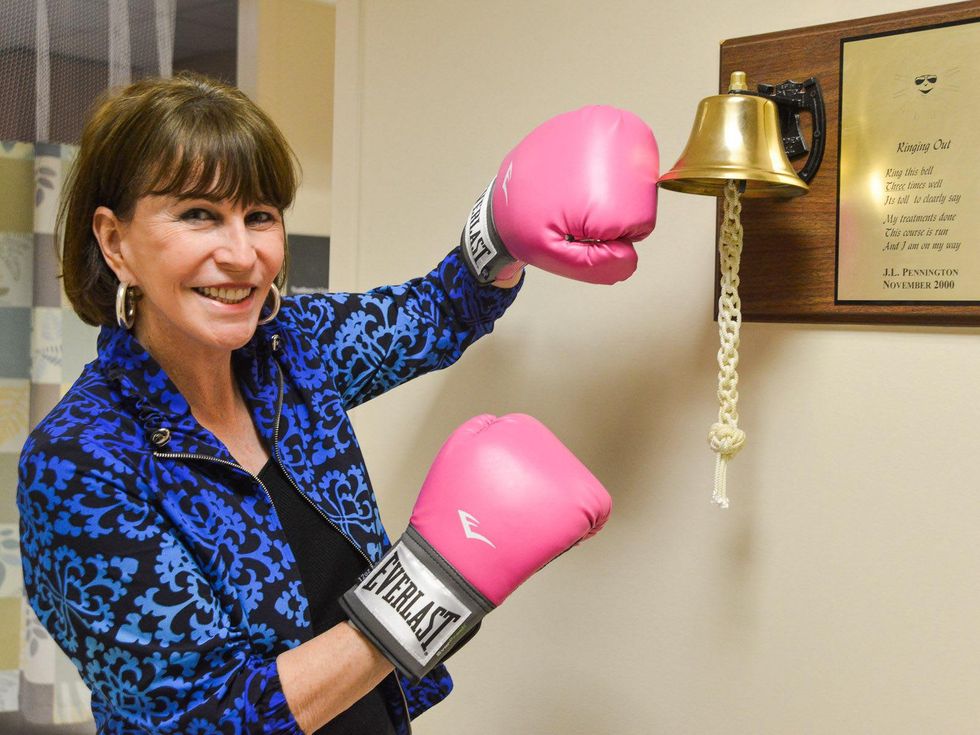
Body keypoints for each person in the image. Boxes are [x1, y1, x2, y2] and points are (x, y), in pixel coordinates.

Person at [17, 73, 659, 734]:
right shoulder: (78, 462)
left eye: (259, 215)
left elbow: (435, 312)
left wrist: (502, 227)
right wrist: (427, 588)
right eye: (198, 214)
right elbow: (200, 718)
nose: (243, 255)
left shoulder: (288, 349)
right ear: (115, 241)